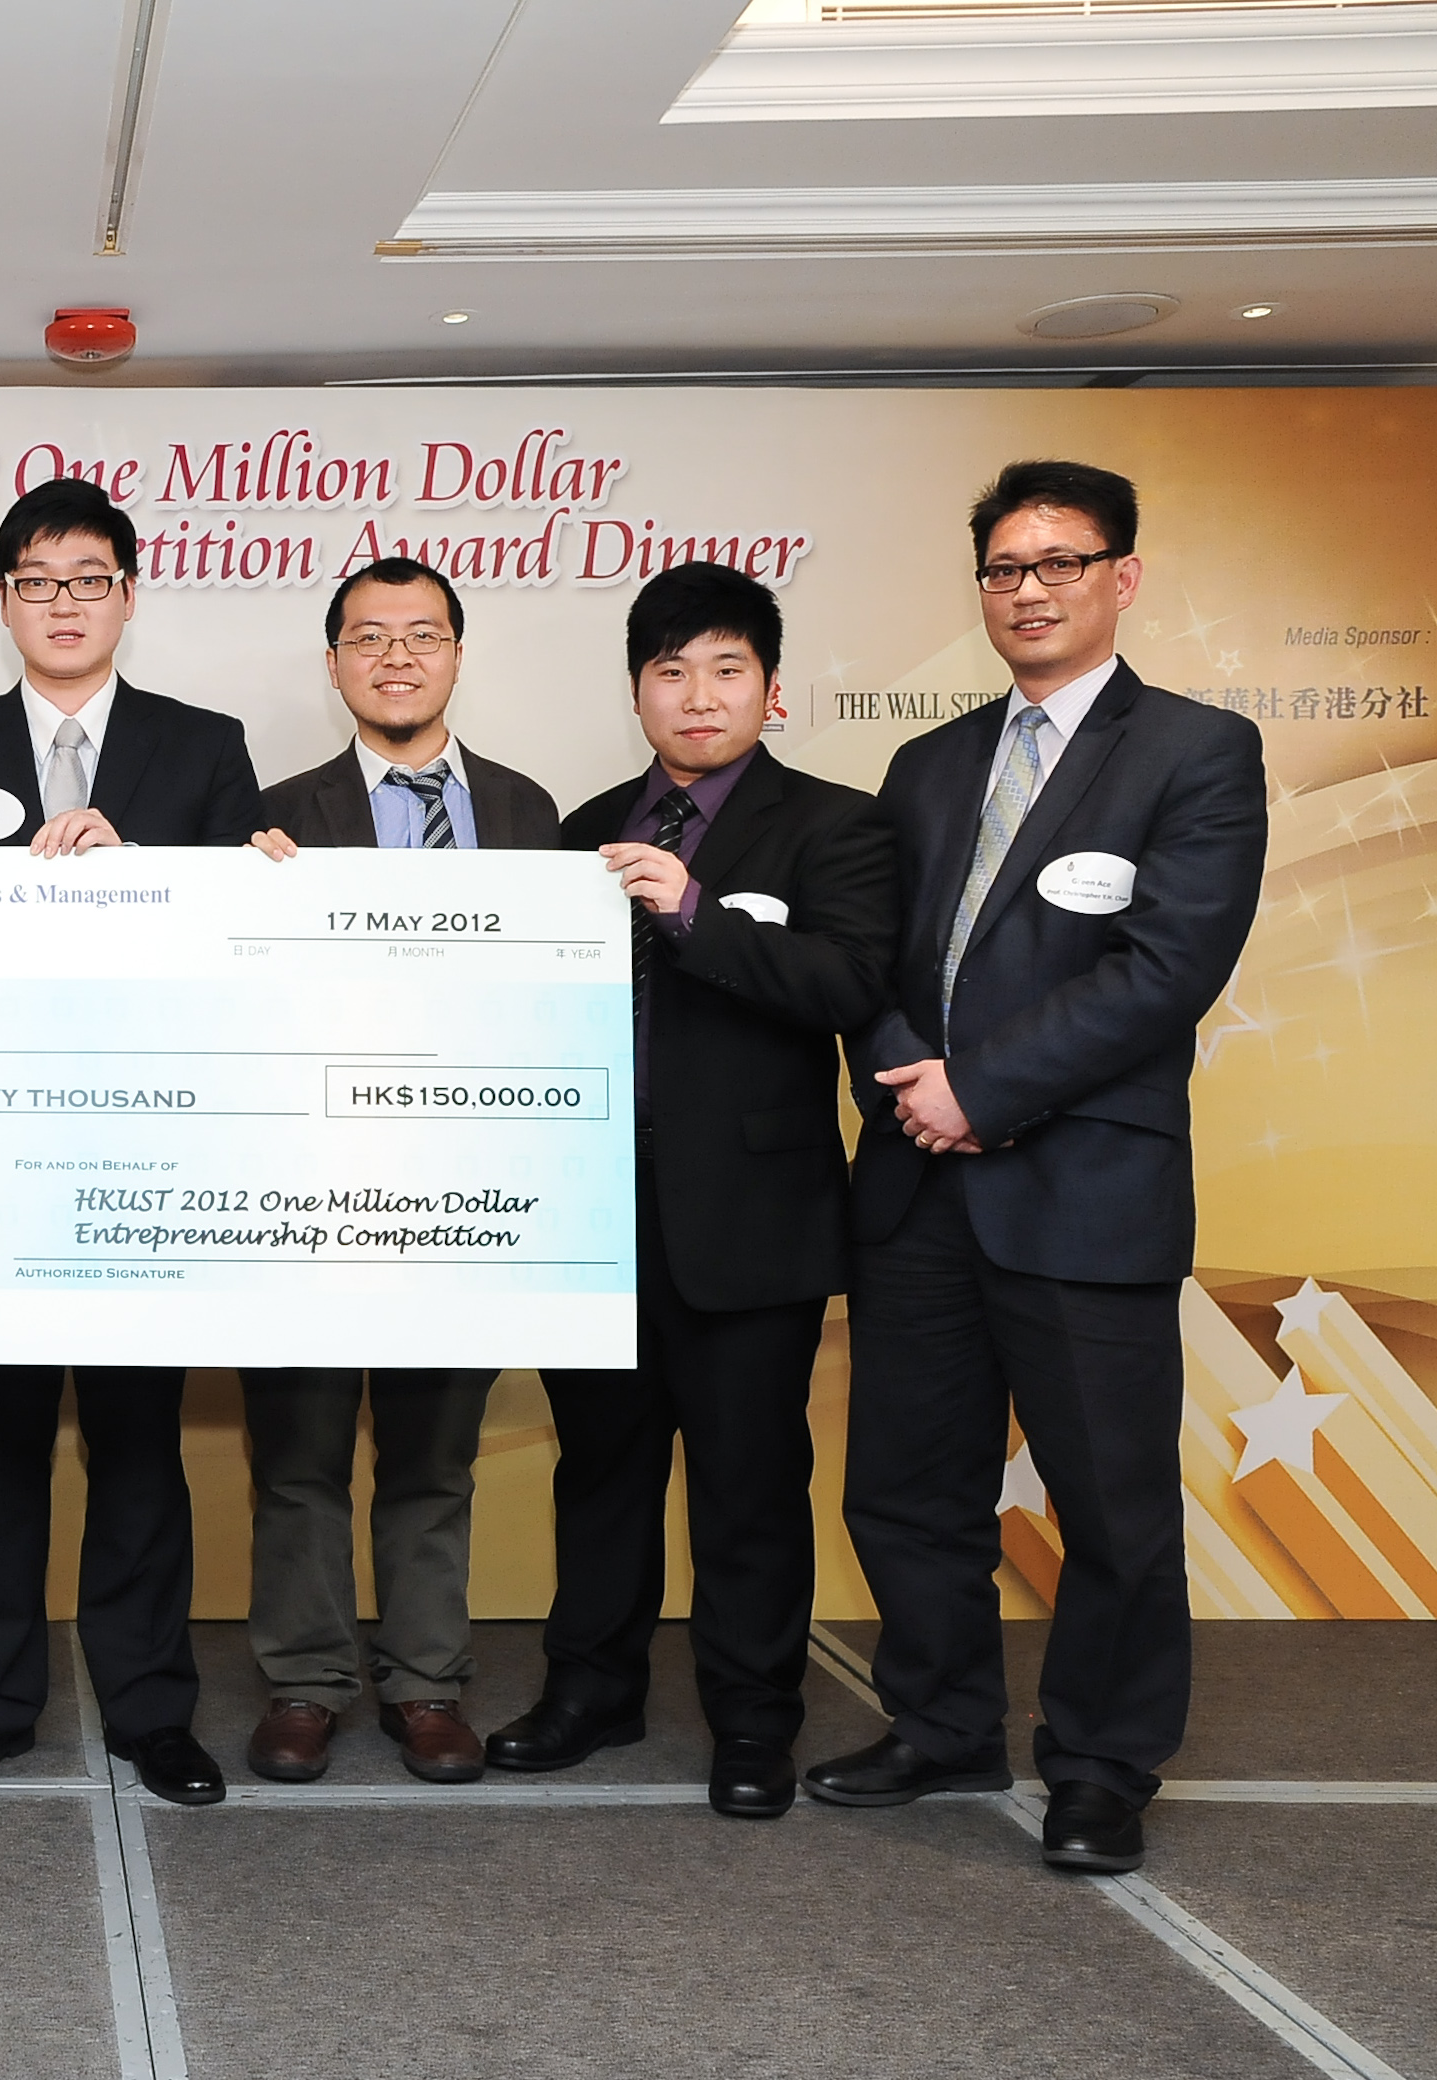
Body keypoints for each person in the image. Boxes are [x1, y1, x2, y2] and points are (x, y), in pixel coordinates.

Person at [814, 461, 1264, 1874]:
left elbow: (1165, 971)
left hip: (1085, 1191)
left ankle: (1102, 1768)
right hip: (917, 1187)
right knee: (904, 1485)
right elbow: (871, 962)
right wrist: (915, 1087)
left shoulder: (1197, 751)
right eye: (1006, 569)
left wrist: (985, 1093)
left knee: (1110, 1505)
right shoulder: (931, 763)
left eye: (1060, 563)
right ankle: (943, 1724)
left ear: (1120, 577)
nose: (1030, 591)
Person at [487, 562, 896, 1821]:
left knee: (747, 1481)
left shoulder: (837, 824)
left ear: (770, 690)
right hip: (596, 1213)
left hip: (751, 1220)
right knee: (599, 1468)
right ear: (636, 690)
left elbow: (845, 989)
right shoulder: (581, 826)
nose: (696, 694)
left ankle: (752, 1721)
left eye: (725, 668)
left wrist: (697, 909)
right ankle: (591, 1691)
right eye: (669, 670)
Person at [0, 476, 261, 1806]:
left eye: (88, 578)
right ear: (3, 601)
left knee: (140, 1447)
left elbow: (235, 955)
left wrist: (148, 866)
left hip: (146, 1155)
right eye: (37, 581)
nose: (63, 603)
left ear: (128, 595)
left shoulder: (204, 748)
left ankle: (156, 1712)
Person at [236, 556, 561, 1786]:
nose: (396, 657)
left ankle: (426, 1684)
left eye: (421, 635)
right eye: (367, 639)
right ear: (334, 666)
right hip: (307, 1187)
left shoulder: (535, 814)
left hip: (465, 1189)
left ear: (457, 654)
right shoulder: (271, 821)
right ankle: (308, 1682)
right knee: (301, 1454)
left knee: (434, 1453)